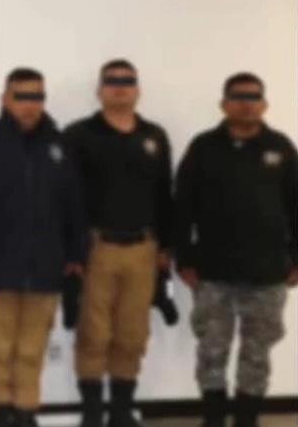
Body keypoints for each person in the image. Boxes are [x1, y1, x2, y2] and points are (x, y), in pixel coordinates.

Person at [0, 68, 87, 427]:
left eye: (37, 97)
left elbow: (75, 206)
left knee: (32, 350)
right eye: (21, 96)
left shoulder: (60, 145)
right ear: (5, 99)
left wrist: (76, 254)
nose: (29, 105)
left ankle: (25, 414)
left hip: (46, 266)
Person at [174, 72, 298, 427]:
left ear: (264, 104)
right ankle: (213, 419)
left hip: (268, 272)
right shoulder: (203, 147)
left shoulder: (281, 148)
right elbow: (182, 206)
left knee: (257, 353)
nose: (247, 104)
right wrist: (185, 258)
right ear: (224, 104)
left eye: (254, 97)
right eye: (239, 97)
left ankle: (247, 420)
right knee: (212, 351)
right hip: (213, 271)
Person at [63, 59, 173, 427]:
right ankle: (93, 413)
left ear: (138, 90)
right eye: (112, 81)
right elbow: (66, 198)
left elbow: (164, 194)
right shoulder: (78, 135)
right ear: (100, 90)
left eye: (127, 81)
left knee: (132, 334)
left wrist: (166, 248)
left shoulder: (155, 137)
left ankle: (122, 411)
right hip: (97, 249)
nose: (120, 87)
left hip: (143, 249)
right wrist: (72, 250)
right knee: (94, 334)